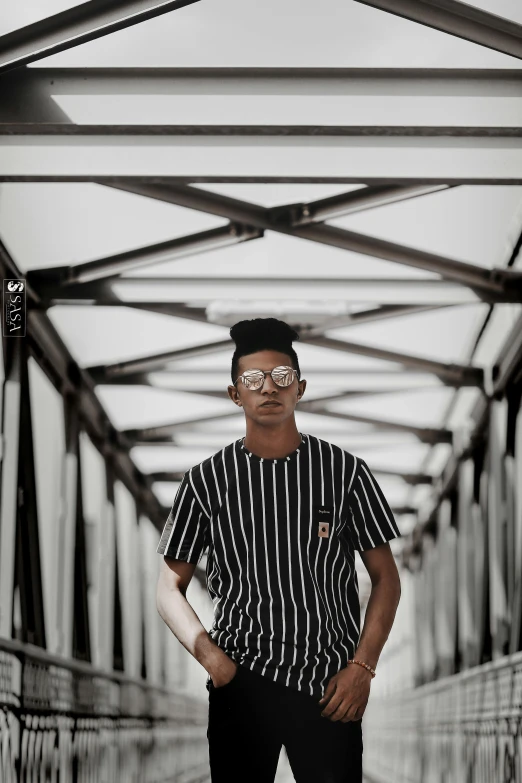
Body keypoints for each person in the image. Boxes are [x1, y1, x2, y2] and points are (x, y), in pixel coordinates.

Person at [156, 318, 402, 783]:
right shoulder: (205, 481)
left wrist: (362, 669)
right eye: (253, 380)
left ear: (300, 388)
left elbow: (387, 578)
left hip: (331, 688)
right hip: (241, 683)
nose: (268, 388)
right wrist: (214, 661)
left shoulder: (346, 472)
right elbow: (169, 587)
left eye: (281, 377)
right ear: (235, 394)